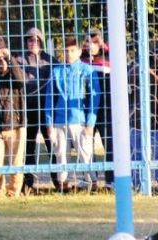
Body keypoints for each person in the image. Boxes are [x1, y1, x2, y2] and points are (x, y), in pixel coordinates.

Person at [45, 36, 101, 191]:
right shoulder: (56, 71)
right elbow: (49, 98)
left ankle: (92, 183)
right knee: (61, 153)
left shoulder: (87, 71)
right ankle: (63, 185)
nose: (69, 53)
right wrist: (49, 122)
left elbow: (95, 98)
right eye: (66, 50)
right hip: (59, 120)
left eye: (72, 50)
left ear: (79, 51)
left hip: (79, 120)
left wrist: (90, 122)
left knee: (85, 152)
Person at [128, 39, 158, 193]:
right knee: (136, 154)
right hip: (137, 120)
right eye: (156, 51)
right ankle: (137, 185)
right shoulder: (135, 70)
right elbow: (128, 94)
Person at [17, 27, 58, 193]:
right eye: (29, 40)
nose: (33, 43)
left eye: (36, 40)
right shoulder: (19, 60)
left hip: (46, 109)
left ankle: (58, 181)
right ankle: (28, 183)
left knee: (52, 145)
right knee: (29, 147)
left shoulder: (50, 60)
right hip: (28, 109)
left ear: (41, 42)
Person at [0, 48, 27, 197]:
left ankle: (13, 192)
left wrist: (10, 59)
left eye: (2, 60)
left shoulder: (14, 76)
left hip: (16, 126)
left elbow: (21, 79)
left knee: (16, 163)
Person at [81, 28, 113, 191]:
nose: (91, 45)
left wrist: (103, 45)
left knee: (110, 145)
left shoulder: (109, 58)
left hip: (106, 108)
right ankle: (88, 180)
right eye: (88, 41)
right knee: (85, 146)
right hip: (86, 109)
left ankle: (111, 181)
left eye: (95, 42)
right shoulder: (81, 60)